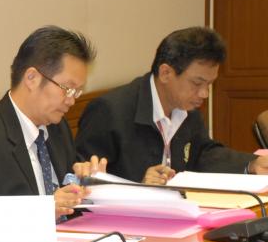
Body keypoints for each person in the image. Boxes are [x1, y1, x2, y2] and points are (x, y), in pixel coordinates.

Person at [0, 26, 105, 219]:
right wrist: (41, 212)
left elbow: (71, 204)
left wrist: (87, 185)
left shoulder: (58, 129)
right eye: (67, 88)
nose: (71, 100)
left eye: (77, 92)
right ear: (32, 78)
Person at [75, 26, 268, 185]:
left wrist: (250, 165)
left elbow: (203, 154)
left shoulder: (188, 109)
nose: (204, 94)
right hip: (126, 217)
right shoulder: (109, 111)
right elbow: (84, 181)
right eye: (197, 83)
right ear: (166, 73)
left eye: (209, 84)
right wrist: (139, 187)